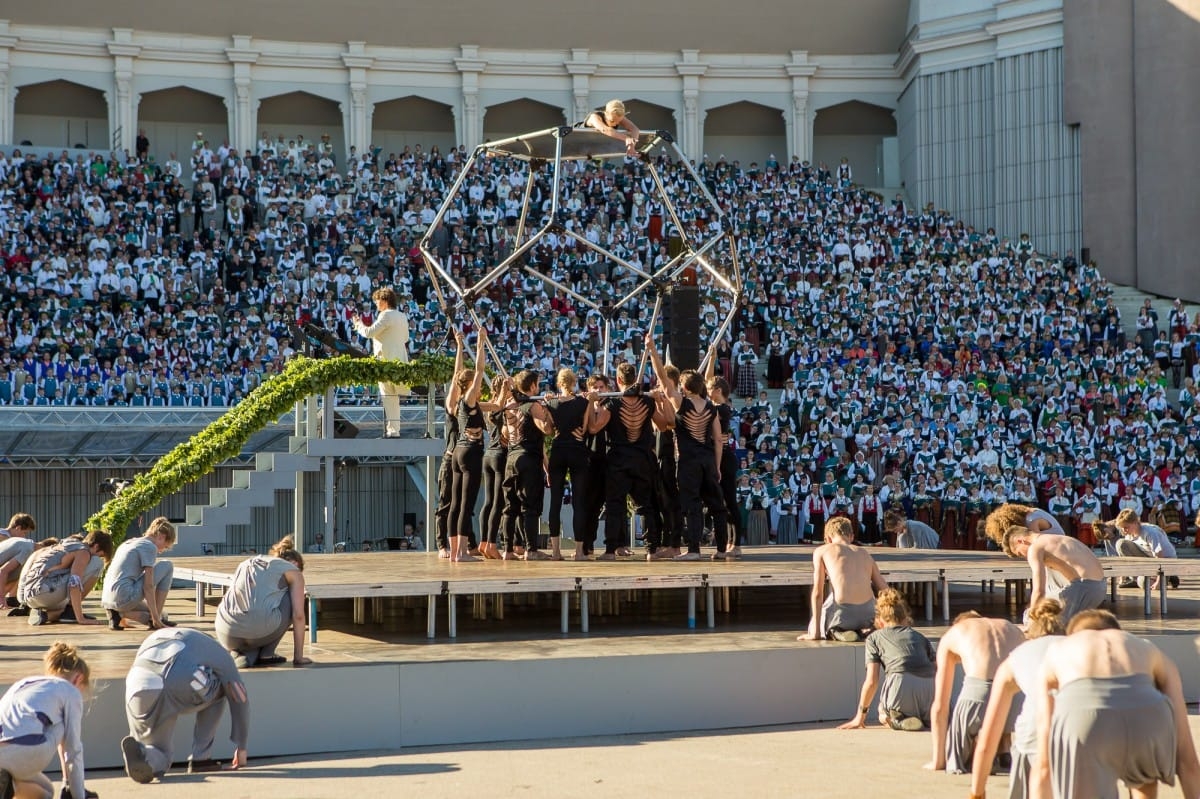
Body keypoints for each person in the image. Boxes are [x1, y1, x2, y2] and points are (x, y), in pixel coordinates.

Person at [1032, 610, 1200, 799]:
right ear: (1117, 631)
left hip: (1086, 713)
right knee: (1144, 782)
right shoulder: (1144, 646)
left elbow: (1044, 764)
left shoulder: (1060, 648)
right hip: (1147, 711)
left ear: (1073, 634)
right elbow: (1188, 760)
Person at [121, 628, 249, 783]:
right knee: (223, 687)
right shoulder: (217, 650)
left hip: (137, 684)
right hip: (175, 680)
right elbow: (238, 693)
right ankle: (201, 757)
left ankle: (143, 753)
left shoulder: (162, 635)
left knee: (160, 751)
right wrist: (241, 746)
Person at [967, 597, 1065, 799]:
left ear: (1029, 634)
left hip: (1033, 735)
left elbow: (988, 736)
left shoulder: (1018, 656)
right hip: (1085, 733)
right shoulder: (1080, 647)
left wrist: (977, 791)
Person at [925, 610, 1024, 774]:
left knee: (959, 756)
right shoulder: (1010, 627)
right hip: (1017, 701)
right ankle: (1002, 750)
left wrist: (939, 760)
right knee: (1001, 704)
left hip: (979, 694)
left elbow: (940, 706)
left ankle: (975, 750)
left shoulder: (954, 633)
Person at [0, 642, 93, 799]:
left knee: (46, 791)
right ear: (79, 679)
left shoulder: (23, 684)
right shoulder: (69, 690)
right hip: (25, 750)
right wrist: (78, 795)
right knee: (63, 725)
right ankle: (69, 788)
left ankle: (10, 787)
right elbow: (72, 750)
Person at [837, 588, 935, 732]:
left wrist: (860, 716)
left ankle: (897, 720)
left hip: (900, 684)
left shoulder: (874, 638)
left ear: (880, 620)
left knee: (882, 714)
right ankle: (925, 719)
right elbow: (938, 669)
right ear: (905, 618)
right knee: (931, 717)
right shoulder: (920, 637)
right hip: (930, 687)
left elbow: (872, 681)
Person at [214, 535, 312, 668]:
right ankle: (267, 653)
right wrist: (298, 657)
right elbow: (298, 616)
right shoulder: (293, 570)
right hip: (260, 630)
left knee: (252, 625)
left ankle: (240, 653)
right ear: (296, 564)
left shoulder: (247, 563)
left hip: (225, 632)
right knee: (295, 598)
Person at [667, 369, 728, 561]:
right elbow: (718, 440)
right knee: (717, 505)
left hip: (688, 462)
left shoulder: (681, 403)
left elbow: (663, 381)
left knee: (693, 504)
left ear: (684, 387)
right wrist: (717, 466)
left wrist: (651, 350)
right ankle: (721, 549)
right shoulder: (711, 407)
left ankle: (694, 549)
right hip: (708, 460)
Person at [798, 516, 887, 642]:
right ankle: (867, 629)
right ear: (851, 537)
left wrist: (815, 633)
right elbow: (885, 590)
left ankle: (836, 630)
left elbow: (818, 593)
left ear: (828, 538)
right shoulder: (864, 553)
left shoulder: (822, 551)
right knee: (869, 597)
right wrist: (892, 622)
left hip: (843, 615)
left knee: (821, 613)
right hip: (868, 614)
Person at [1001, 525, 1106, 624]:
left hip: (1084, 587)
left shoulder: (1035, 548)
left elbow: (1039, 591)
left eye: (1020, 553)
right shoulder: (1055, 538)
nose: (1024, 557)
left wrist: (1032, 617)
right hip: (1100, 586)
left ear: (1021, 541)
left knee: (1042, 622)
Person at [545, 367, 593, 561]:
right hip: (577, 450)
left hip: (558, 450)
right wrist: (590, 402)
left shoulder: (552, 402)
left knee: (555, 502)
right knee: (579, 501)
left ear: (559, 383)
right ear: (573, 383)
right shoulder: (582, 402)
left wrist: (549, 405)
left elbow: (549, 429)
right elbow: (587, 426)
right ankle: (579, 551)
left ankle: (556, 552)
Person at [18, 532, 114, 626]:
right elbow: (74, 583)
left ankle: (45, 616)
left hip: (29, 596)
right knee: (98, 563)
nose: (98, 557)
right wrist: (81, 619)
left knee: (65, 606)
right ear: (96, 546)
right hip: (43, 592)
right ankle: (70, 610)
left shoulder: (64, 543)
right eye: (101, 555)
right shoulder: (84, 552)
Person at [352, 286, 411, 437]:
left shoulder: (385, 316)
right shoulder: (402, 316)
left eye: (377, 301)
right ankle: (393, 431)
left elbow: (369, 332)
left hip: (385, 362)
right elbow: (405, 338)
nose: (376, 304)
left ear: (384, 301)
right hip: (400, 362)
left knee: (388, 397)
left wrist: (358, 324)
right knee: (392, 399)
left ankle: (393, 430)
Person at [101, 516, 177, 631]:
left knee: (163, 615)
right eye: (165, 546)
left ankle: (118, 614)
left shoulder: (129, 542)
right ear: (161, 537)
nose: (162, 551)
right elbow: (148, 586)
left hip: (108, 599)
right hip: (123, 597)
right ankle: (152, 620)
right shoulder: (149, 547)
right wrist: (156, 617)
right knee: (167, 565)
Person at [1113, 507, 1179, 590]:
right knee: (1121, 544)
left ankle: (1166, 577)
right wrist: (1122, 578)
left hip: (1166, 562)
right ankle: (1136, 579)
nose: (1124, 530)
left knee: (1144, 583)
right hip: (1149, 559)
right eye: (1122, 528)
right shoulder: (1129, 534)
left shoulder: (1150, 532)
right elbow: (1125, 559)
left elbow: (1160, 557)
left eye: (1126, 527)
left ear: (1135, 523)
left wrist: (1159, 582)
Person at [0, 512, 38, 606]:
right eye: (24, 532)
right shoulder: (3, 538)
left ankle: (12, 598)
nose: (24, 536)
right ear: (18, 528)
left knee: (19, 566)